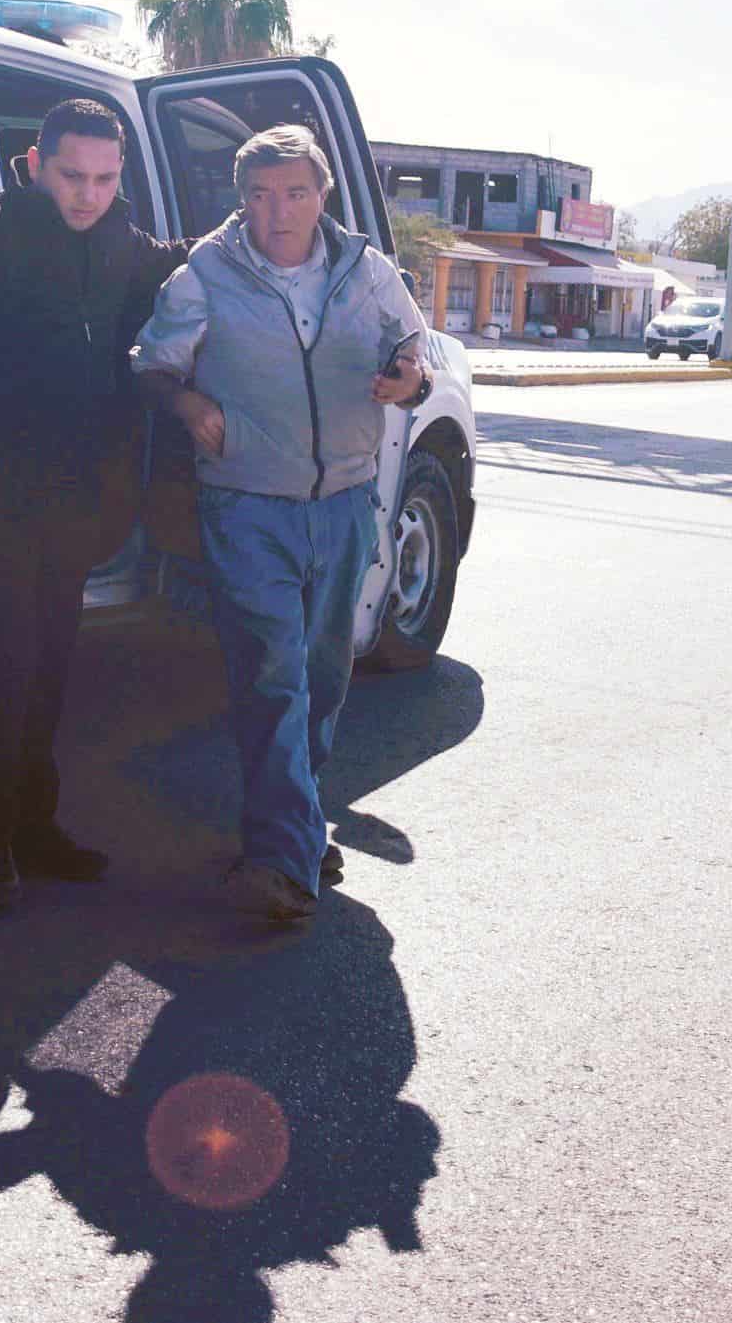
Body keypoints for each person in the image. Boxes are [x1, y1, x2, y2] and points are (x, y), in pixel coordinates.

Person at [132, 125, 434, 924]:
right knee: (273, 671)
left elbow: (415, 353)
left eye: (296, 192)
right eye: (261, 195)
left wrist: (406, 380)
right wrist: (189, 402)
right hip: (245, 503)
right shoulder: (203, 272)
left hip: (344, 502)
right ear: (241, 200)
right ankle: (281, 861)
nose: (279, 212)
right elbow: (154, 362)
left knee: (325, 675)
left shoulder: (366, 271)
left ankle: (300, 826)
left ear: (321, 194)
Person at [0, 98, 189, 914]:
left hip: (79, 492)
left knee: (53, 662)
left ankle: (34, 827)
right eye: (71, 175)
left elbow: (193, 263)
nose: (87, 194)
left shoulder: (124, 244)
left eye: (103, 178)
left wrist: (285, 225)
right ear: (35, 164)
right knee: (5, 662)